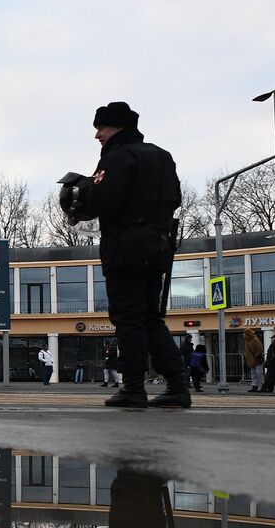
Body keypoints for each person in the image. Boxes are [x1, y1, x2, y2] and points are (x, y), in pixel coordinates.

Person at [62, 102, 188, 407]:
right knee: (150, 318)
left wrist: (81, 197)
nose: (97, 135)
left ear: (117, 126)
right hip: (157, 246)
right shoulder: (162, 156)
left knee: (128, 318)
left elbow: (105, 199)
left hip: (125, 247)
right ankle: (177, 386)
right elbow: (176, 197)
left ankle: (133, 388)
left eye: (101, 128)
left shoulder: (117, 157)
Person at [242, 327, 264, 392]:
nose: (243, 335)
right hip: (251, 359)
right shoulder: (247, 340)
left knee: (258, 373)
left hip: (256, 359)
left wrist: (256, 355)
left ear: (247, 334)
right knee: (254, 373)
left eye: (244, 333)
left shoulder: (254, 340)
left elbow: (259, 349)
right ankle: (255, 385)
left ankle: (262, 385)